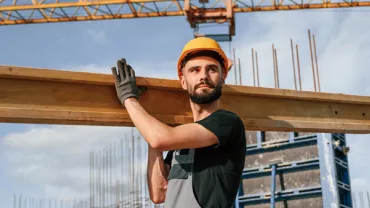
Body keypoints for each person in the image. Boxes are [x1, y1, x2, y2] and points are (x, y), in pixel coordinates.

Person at [111, 37, 246, 208]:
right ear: (183, 81)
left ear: (223, 76)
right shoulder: (181, 143)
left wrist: (129, 99)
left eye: (211, 69)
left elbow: (161, 139)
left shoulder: (227, 123)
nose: (203, 76)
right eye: (195, 70)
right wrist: (154, 119)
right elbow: (158, 193)